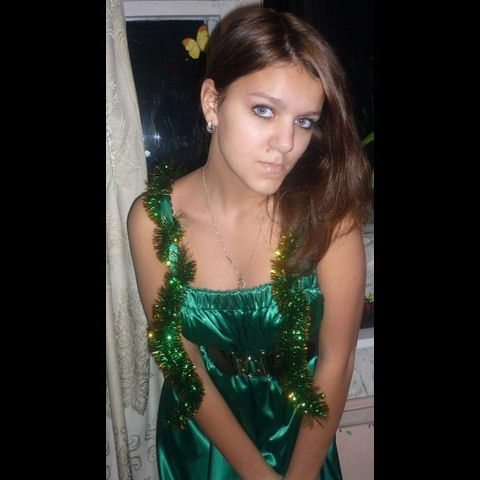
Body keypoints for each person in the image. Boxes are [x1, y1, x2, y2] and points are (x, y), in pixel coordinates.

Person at [128, 6, 372, 480]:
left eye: (305, 121)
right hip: (205, 436)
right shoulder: (153, 219)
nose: (286, 144)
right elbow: (180, 359)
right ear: (212, 103)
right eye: (264, 110)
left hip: (301, 426)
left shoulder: (328, 217)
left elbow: (337, 362)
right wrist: (253, 472)